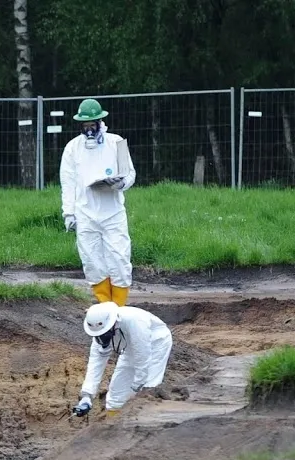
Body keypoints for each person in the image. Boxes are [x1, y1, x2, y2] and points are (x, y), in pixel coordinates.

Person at [60, 98, 136, 307]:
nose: (89, 129)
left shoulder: (116, 142)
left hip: (113, 212)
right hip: (85, 213)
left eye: (92, 124)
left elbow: (130, 173)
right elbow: (68, 182)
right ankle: (105, 306)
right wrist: (69, 213)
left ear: (100, 122)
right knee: (92, 261)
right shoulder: (72, 148)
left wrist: (119, 184)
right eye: (85, 125)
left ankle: (119, 307)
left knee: (119, 259)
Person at [71, 301, 172, 418]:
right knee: (116, 395)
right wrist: (87, 396)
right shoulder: (99, 330)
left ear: (113, 323)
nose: (102, 337)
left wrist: (139, 382)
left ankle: (149, 425)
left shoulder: (134, 321)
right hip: (128, 347)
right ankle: (113, 426)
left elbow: (142, 353)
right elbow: (95, 362)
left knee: (148, 388)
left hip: (155, 343)